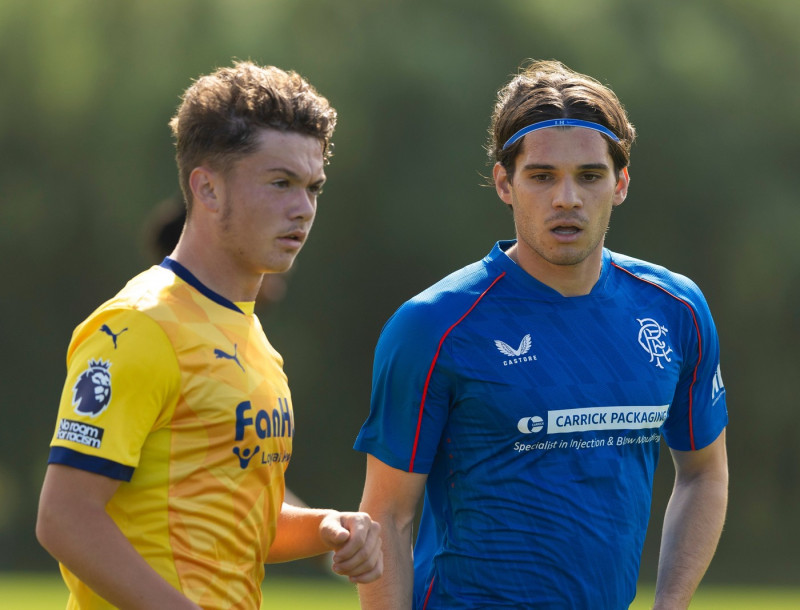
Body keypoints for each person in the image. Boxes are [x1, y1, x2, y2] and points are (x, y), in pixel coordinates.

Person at [355, 59, 728, 609]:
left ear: (620, 183)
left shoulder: (676, 309)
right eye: (543, 176)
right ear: (505, 183)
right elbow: (386, 516)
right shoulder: (433, 325)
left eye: (590, 176)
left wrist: (670, 603)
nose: (567, 199)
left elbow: (704, 473)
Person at [36, 61, 382, 610]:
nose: (303, 209)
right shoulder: (140, 325)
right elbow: (64, 517)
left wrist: (326, 526)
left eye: (313, 187)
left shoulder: (252, 337)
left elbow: (234, 520)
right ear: (208, 189)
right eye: (280, 183)